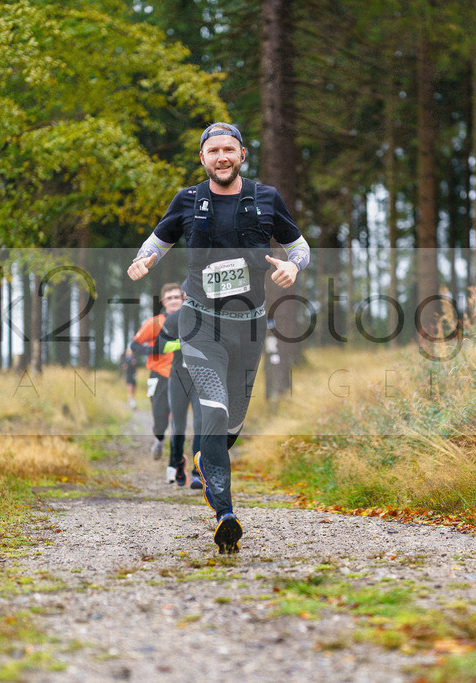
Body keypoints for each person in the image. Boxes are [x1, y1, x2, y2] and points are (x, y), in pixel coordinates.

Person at [127, 122, 310, 554]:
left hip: (249, 326)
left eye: (229, 149)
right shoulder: (188, 200)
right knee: (213, 408)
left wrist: (293, 267)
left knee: (230, 425)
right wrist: (143, 261)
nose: (222, 157)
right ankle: (225, 513)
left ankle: (205, 459)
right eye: (213, 151)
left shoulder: (266, 198)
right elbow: (156, 242)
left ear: (242, 154)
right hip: (199, 322)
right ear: (203, 158)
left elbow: (299, 246)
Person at [130, 283, 183, 462]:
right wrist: (156, 349)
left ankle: (180, 451)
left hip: (185, 374)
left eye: (177, 297)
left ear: (183, 299)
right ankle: (159, 439)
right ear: (163, 302)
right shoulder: (154, 323)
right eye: (169, 298)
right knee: (160, 414)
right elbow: (135, 345)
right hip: (160, 374)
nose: (174, 301)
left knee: (181, 415)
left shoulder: (190, 320)